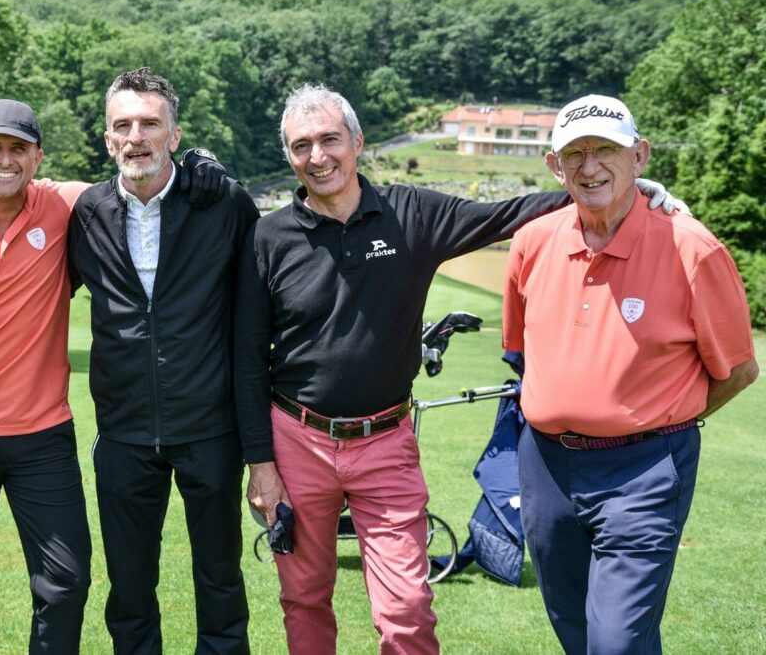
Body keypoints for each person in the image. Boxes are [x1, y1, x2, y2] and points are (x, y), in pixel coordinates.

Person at [233, 84, 681, 655]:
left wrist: (623, 191)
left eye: (330, 140)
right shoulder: (268, 237)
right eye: (302, 146)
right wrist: (261, 467)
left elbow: (506, 216)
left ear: (357, 142)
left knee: (406, 610)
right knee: (303, 598)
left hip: (385, 442)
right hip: (298, 441)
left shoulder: (411, 214)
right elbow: (247, 361)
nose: (318, 157)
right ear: (289, 156)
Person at [0, 98, 226, 654]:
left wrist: (200, 161)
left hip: (43, 440)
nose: (4, 159)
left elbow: (139, 177)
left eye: (18, 148)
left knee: (66, 584)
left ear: (37, 157)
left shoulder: (66, 206)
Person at [502, 94, 758, 654]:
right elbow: (523, 352)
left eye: (606, 150)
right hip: (546, 467)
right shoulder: (531, 242)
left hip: (643, 469)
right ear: (555, 166)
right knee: (576, 628)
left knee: (616, 642)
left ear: (639, 156)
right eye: (575, 153)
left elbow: (739, 370)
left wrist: (657, 416)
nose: (590, 166)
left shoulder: (693, 249)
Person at [67, 68, 259, 654]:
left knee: (220, 581)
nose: (136, 137)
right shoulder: (87, 213)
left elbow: (260, 306)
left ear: (174, 135)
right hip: (123, 435)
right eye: (123, 125)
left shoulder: (223, 202)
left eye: (150, 124)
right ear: (107, 139)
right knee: (128, 591)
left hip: (210, 431)